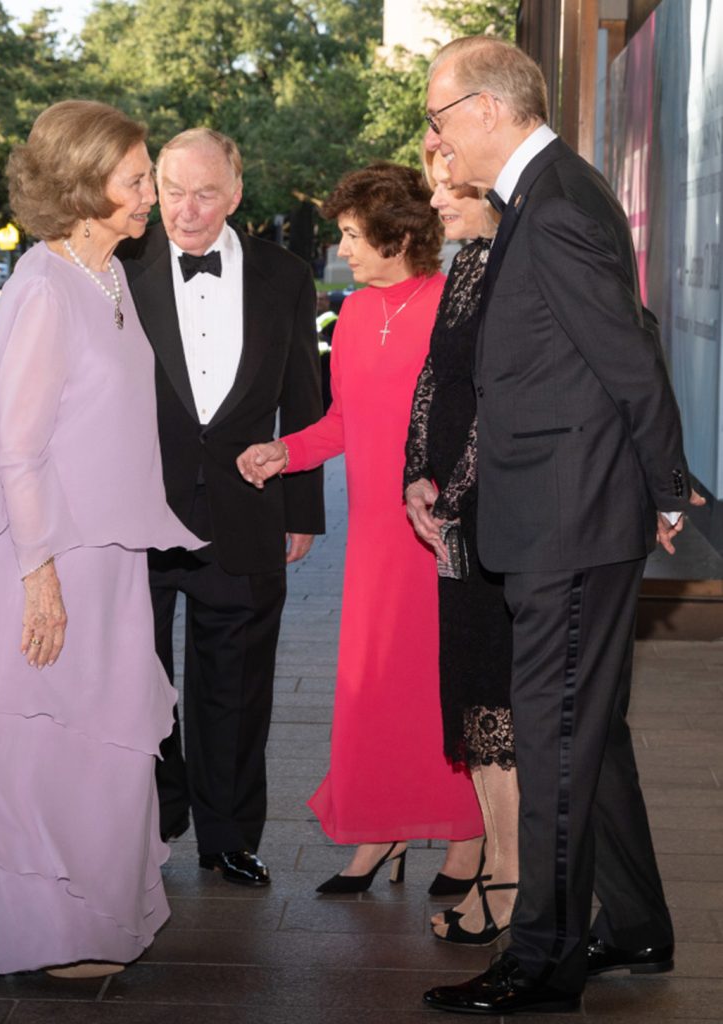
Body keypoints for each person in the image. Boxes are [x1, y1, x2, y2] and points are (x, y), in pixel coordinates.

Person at [420, 36, 704, 1015]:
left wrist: (666, 487)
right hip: (561, 504)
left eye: (438, 114)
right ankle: (631, 922)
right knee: (588, 730)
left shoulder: (552, 205)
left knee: (549, 733)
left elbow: (627, 355)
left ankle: (541, 959)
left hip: (567, 514)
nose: (434, 135)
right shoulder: (548, 196)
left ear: (488, 107)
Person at [0, 100, 202, 977]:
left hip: (113, 560)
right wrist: (40, 575)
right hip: (52, 560)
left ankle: (96, 916)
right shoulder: (43, 288)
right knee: (45, 743)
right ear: (85, 186)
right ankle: (47, 932)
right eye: (134, 180)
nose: (148, 197)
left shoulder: (109, 276)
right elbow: (15, 447)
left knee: (108, 738)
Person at [237, 162, 483, 894]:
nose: (341, 248)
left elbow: (473, 415)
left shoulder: (452, 303)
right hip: (376, 538)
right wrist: (284, 452)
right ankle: (379, 833)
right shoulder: (347, 313)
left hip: (438, 527)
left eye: (351, 235)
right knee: (371, 687)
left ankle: (465, 837)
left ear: (399, 235)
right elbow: (341, 421)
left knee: (441, 684)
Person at [119, 128, 325, 887]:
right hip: (134, 512)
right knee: (132, 676)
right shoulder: (119, 263)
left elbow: (305, 396)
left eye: (205, 193)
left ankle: (229, 835)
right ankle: (153, 808)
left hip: (244, 513)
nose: (186, 209)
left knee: (236, 685)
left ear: (236, 195)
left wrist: (301, 506)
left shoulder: (285, 274)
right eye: (171, 190)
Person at [404, 148, 518, 942]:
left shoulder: (513, 265)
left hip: (495, 522)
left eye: (447, 186)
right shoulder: (469, 262)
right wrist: (417, 470)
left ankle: (508, 884)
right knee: (472, 701)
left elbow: (499, 398)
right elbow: (437, 382)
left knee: (495, 706)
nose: (434, 199)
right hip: (456, 520)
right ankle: (497, 868)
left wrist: (456, 493)